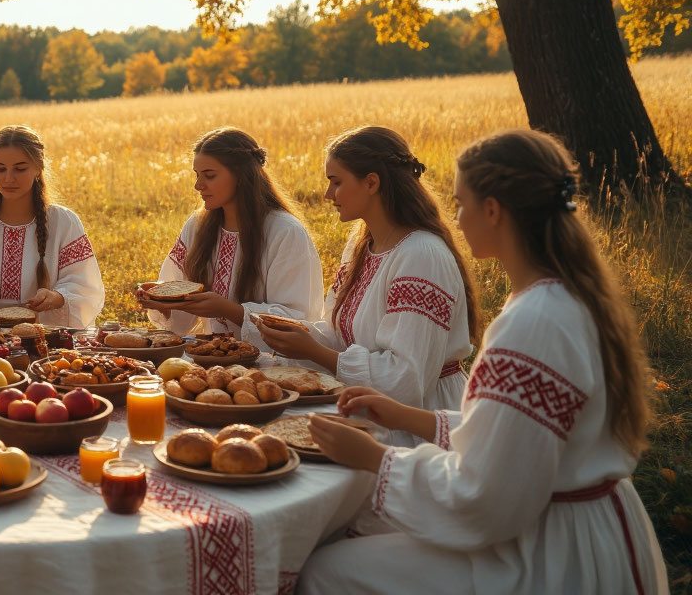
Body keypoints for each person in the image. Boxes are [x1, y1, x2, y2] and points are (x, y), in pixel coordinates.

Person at [300, 129, 667, 594]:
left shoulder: (534, 321)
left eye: (461, 203)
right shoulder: (560, 298)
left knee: (325, 572)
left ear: (492, 210)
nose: (455, 217)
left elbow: (487, 498)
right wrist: (408, 417)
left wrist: (377, 459)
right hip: (575, 524)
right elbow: (517, 431)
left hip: (549, 550)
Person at [255, 126, 480, 430]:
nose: (328, 194)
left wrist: (315, 351)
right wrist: (295, 336)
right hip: (364, 402)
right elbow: (340, 335)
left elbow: (406, 381)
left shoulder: (421, 255)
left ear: (371, 182)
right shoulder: (361, 244)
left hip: (419, 420)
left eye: (336, 182)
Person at [135, 127, 323, 352]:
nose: (198, 185)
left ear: (241, 176)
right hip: (210, 357)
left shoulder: (285, 232)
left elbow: (296, 319)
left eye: (210, 175)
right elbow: (178, 314)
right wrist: (163, 305)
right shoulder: (197, 225)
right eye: (197, 175)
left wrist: (230, 310)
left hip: (272, 362)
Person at [0, 125, 105, 328]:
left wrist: (57, 298)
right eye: (0, 169)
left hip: (47, 339)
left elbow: (85, 288)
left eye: (20, 169)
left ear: (38, 168)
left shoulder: (64, 222)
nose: (8, 178)